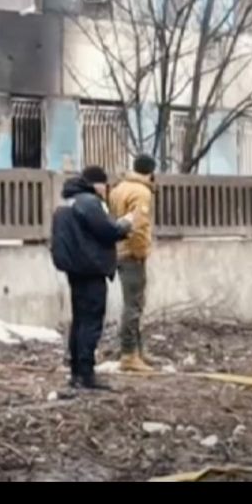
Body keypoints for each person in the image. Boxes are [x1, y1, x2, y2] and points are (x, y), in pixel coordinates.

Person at [50, 165, 136, 393]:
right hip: (91, 269)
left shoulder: (65, 202)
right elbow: (107, 231)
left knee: (79, 321)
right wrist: (126, 224)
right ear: (98, 184)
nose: (106, 190)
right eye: (105, 185)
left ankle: (77, 372)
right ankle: (87, 374)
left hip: (74, 269)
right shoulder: (88, 202)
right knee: (90, 322)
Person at [107, 154, 156, 373]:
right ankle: (129, 354)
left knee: (132, 303)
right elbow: (138, 226)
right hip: (131, 254)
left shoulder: (119, 188)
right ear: (151, 171)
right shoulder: (141, 192)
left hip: (118, 250)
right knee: (134, 305)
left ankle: (136, 351)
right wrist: (140, 252)